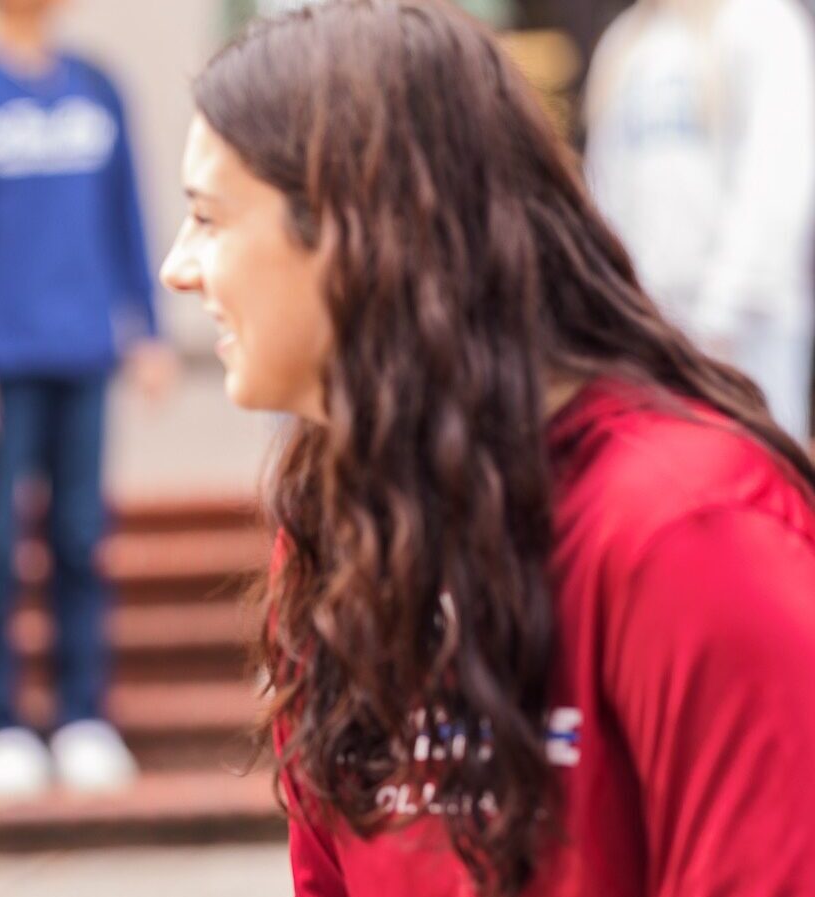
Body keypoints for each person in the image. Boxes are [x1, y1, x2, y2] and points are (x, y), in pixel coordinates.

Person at [159, 1, 815, 894]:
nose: (178, 266)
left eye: (209, 217)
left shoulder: (687, 528)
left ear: (360, 225)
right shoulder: (334, 530)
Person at [0, 0, 177, 799]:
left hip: (85, 352)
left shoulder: (97, 85)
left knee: (83, 536)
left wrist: (148, 327)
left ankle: (85, 715)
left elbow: (128, 212)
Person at [583, 0, 815, 441]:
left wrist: (719, 319)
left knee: (755, 483)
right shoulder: (625, 43)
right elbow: (603, 192)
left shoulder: (763, 21)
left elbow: (775, 181)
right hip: (649, 334)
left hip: (743, 334)